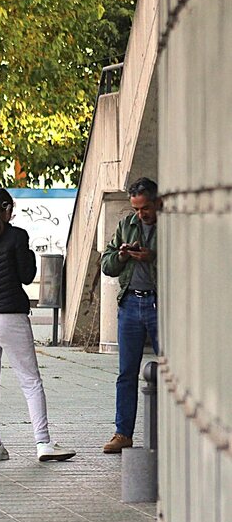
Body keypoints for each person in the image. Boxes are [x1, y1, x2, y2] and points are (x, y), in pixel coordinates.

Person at [0, 188, 75, 462]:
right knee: (30, 380)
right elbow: (26, 275)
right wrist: (31, 256)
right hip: (9, 315)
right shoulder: (16, 236)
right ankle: (43, 442)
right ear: (6, 208)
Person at [100, 177, 160, 454]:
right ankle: (123, 432)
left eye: (145, 208)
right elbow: (107, 264)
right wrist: (123, 255)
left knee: (169, 370)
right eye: (136, 208)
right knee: (126, 373)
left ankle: (170, 430)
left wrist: (153, 257)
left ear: (157, 202)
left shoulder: (169, 224)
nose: (141, 214)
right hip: (130, 303)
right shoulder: (127, 225)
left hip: (159, 303)